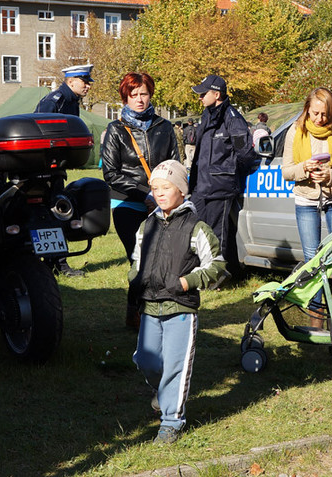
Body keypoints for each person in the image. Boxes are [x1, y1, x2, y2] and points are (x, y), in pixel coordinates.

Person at [129, 160, 227, 444]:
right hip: (150, 305)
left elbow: (217, 265)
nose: (159, 193)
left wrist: (187, 282)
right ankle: (163, 391)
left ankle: (171, 421)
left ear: (182, 191)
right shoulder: (146, 225)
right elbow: (137, 260)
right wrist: (134, 278)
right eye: (155, 188)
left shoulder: (196, 228)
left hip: (180, 307)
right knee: (145, 359)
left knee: (175, 364)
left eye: (166, 187)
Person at [101, 72, 179, 330]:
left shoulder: (164, 127)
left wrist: (167, 196)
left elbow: (175, 166)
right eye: (133, 95)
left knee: (163, 261)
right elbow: (111, 174)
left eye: (143, 94)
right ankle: (135, 314)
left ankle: (158, 312)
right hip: (127, 205)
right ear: (125, 98)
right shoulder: (116, 129)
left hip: (161, 204)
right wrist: (144, 194)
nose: (139, 100)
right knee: (140, 260)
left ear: (151, 94)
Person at [281, 87, 332, 327]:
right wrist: (305, 168)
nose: (319, 119)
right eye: (315, 113)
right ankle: (317, 322)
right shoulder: (295, 131)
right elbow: (286, 171)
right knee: (313, 262)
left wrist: (330, 176)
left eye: (324, 114)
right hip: (306, 199)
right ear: (307, 110)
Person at [189, 74, 257, 276]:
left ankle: (216, 276)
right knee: (197, 231)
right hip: (200, 186)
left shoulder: (233, 118)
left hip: (220, 187)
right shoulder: (207, 115)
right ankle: (202, 271)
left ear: (216, 94)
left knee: (217, 233)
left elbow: (245, 153)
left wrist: (228, 172)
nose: (199, 98)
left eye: (203, 94)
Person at [34, 64, 94, 277]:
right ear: (70, 81)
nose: (88, 86)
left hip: (55, 167)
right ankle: (56, 263)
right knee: (52, 214)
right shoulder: (56, 101)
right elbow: (40, 131)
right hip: (45, 169)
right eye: (84, 81)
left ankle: (56, 263)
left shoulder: (70, 101)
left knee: (58, 213)